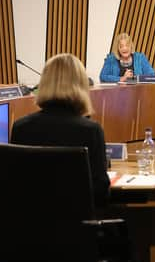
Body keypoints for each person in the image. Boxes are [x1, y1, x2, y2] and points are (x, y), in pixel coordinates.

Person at [11, 53, 110, 207]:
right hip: (77, 226)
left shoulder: (21, 128)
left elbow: (15, 185)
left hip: (28, 225)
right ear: (82, 86)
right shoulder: (91, 131)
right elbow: (101, 191)